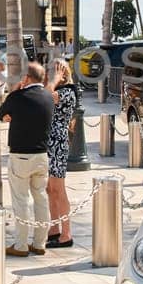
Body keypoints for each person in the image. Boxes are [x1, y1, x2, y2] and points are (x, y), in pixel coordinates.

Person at [0, 63, 55, 257]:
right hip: (41, 155)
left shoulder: (18, 97)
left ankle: (21, 244)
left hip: (21, 155)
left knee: (20, 200)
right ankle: (40, 242)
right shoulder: (48, 97)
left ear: (27, 78)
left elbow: (0, 113)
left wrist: (14, 90)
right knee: (41, 198)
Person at [45, 59, 78, 249]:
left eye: (54, 70)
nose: (50, 73)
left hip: (57, 142)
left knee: (58, 188)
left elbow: (45, 96)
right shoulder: (57, 89)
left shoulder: (67, 92)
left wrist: (55, 80)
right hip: (50, 142)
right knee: (50, 189)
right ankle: (54, 228)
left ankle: (66, 234)